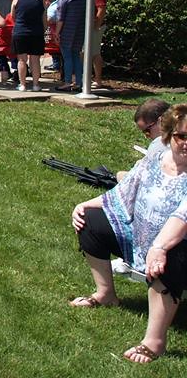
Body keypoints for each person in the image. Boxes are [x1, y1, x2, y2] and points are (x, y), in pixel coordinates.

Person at [69, 103, 187, 364]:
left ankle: (154, 342)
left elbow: (182, 216)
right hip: (144, 238)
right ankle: (106, 295)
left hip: (177, 244)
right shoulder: (157, 158)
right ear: (170, 134)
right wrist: (85, 205)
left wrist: (159, 247)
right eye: (182, 136)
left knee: (172, 254)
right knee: (90, 221)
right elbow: (124, 191)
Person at [10, 0, 47, 92]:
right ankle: (36, 84)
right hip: (36, 32)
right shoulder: (41, 0)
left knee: (22, 59)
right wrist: (43, 30)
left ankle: (22, 85)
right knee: (35, 59)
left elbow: (12, 16)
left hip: (21, 32)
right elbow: (44, 19)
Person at [55, 0, 86, 92]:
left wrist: (57, 32)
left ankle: (67, 82)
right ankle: (79, 83)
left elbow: (60, 17)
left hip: (67, 31)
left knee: (67, 57)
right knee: (76, 56)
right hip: (80, 30)